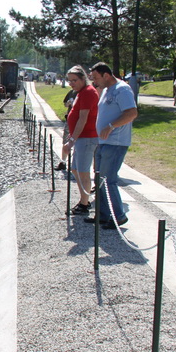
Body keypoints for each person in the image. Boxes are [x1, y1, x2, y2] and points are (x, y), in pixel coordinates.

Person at [85, 62, 138, 230]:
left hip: (115, 143)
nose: (94, 82)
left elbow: (131, 113)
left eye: (96, 78)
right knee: (99, 179)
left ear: (106, 75)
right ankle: (103, 215)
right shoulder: (107, 90)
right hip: (103, 142)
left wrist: (111, 126)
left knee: (108, 180)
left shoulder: (122, 90)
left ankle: (119, 216)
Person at [61, 66, 99, 215]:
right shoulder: (81, 93)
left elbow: (83, 119)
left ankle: (84, 203)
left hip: (87, 137)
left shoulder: (88, 93)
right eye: (69, 80)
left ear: (83, 78)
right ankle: (85, 198)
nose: (71, 83)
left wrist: (71, 140)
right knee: (75, 169)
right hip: (82, 138)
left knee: (83, 171)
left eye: (74, 80)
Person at [55, 88, 78, 171]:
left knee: (78, 143)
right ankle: (63, 162)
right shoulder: (72, 92)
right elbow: (65, 103)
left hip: (79, 121)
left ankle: (75, 165)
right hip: (69, 120)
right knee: (65, 141)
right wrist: (68, 103)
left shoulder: (84, 93)